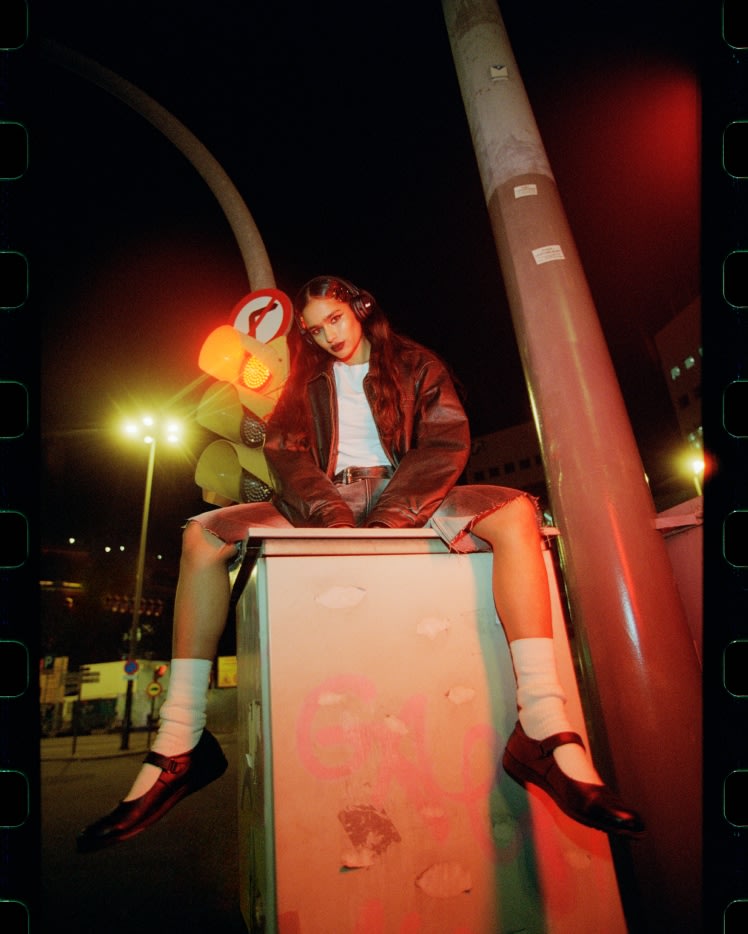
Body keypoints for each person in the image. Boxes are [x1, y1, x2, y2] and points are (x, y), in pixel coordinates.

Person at [77, 275, 644, 852]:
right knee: (201, 537)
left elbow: (445, 443)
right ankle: (180, 739)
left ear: (361, 307)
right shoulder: (302, 380)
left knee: (517, 512)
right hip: (323, 500)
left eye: (335, 320)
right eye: (314, 329)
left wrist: (393, 512)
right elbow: (285, 453)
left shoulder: (416, 364)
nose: (326, 336)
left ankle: (544, 726)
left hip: (410, 494)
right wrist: (329, 512)